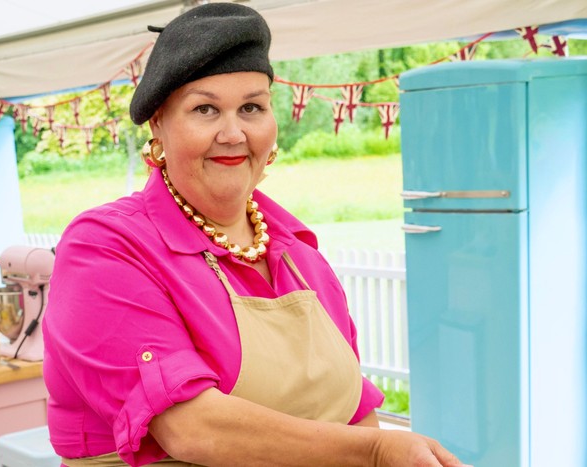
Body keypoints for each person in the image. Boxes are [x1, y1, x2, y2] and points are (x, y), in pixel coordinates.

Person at [43, 3, 471, 466]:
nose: (233, 133)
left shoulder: (299, 254)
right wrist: (374, 451)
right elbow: (190, 429)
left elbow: (353, 411)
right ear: (159, 126)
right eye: (205, 109)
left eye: (251, 107)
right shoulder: (105, 246)